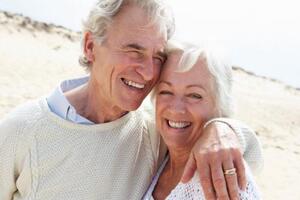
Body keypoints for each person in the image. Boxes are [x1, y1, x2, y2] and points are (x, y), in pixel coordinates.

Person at [0, 0, 262, 199]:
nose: (148, 72)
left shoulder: (154, 133)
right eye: (133, 50)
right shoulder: (21, 130)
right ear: (90, 46)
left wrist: (223, 128)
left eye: (157, 56)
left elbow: (249, 158)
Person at [143, 43, 261, 200]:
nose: (176, 109)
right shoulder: (155, 156)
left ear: (219, 106)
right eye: (166, 91)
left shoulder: (224, 180)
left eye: (194, 95)